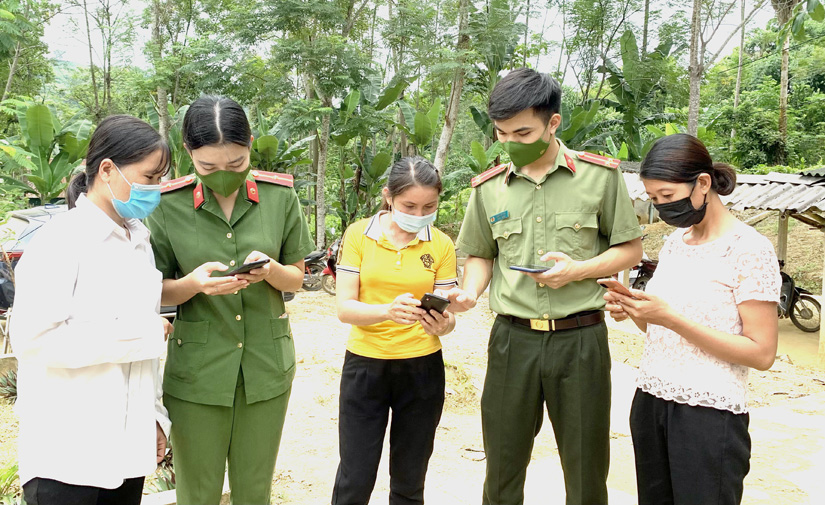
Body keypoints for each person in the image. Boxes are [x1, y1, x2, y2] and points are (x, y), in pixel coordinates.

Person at [445, 67, 643, 505]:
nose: (511, 143)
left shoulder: (600, 177)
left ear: (553, 123)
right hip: (511, 341)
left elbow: (630, 249)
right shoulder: (489, 188)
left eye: (523, 133)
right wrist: (470, 293)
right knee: (502, 467)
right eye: (502, 134)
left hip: (581, 341)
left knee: (586, 468)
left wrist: (578, 270)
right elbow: (480, 254)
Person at [145, 95, 315, 504]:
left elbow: (296, 278)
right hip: (197, 372)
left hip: (265, 366)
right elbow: (152, 287)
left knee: (254, 489)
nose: (224, 174)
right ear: (188, 152)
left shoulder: (279, 197)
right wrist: (194, 285)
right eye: (208, 167)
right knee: (197, 491)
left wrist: (271, 271)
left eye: (237, 163)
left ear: (250, 145)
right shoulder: (167, 205)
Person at [603, 133, 780, 505]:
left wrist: (670, 318)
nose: (662, 207)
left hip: (709, 414)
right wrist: (636, 310)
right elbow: (662, 328)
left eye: (667, 195)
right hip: (650, 400)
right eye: (653, 199)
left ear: (702, 183)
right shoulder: (675, 243)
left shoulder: (749, 249)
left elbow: (761, 353)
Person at [10, 115, 172, 505]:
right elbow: (34, 341)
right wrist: (141, 336)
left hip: (127, 453)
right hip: (67, 457)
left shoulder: (139, 242)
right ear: (107, 170)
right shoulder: (60, 242)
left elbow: (143, 358)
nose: (155, 189)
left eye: (159, 179)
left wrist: (154, 417)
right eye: (148, 177)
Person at [331, 156, 458, 505]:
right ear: (388, 196)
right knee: (355, 477)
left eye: (429, 207)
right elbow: (344, 308)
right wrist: (386, 311)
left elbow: (448, 313)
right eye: (409, 206)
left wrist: (445, 323)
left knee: (409, 479)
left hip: (422, 370)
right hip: (365, 366)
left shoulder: (441, 245)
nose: (419, 215)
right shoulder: (359, 235)